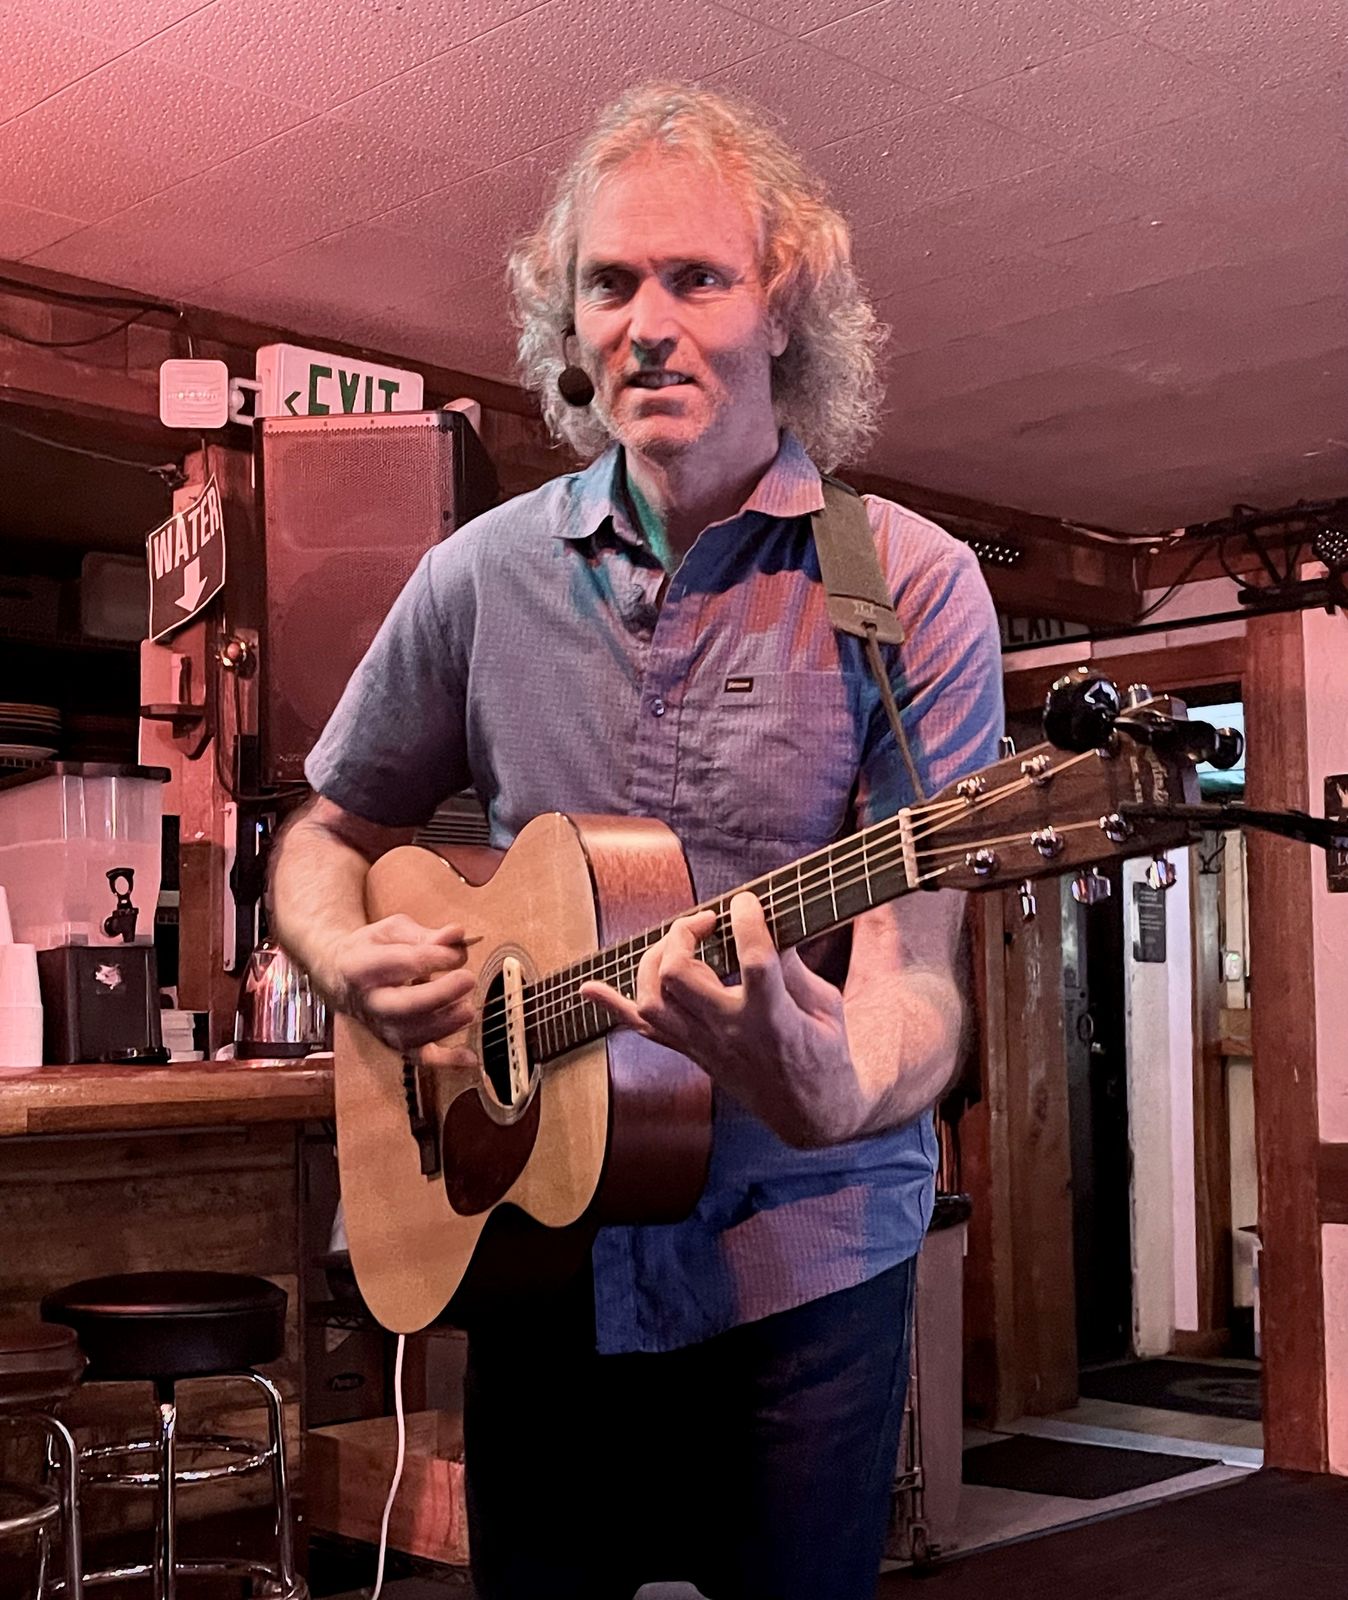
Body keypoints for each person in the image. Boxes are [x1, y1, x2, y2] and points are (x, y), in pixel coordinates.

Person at [271, 83, 1003, 1600]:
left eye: (698, 278)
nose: (648, 326)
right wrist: (343, 953)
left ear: (782, 305)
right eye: (611, 284)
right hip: (534, 1253)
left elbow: (917, 971)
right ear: (570, 319)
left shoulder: (905, 586)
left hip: (800, 1256)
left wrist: (845, 1080)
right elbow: (324, 838)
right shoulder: (478, 577)